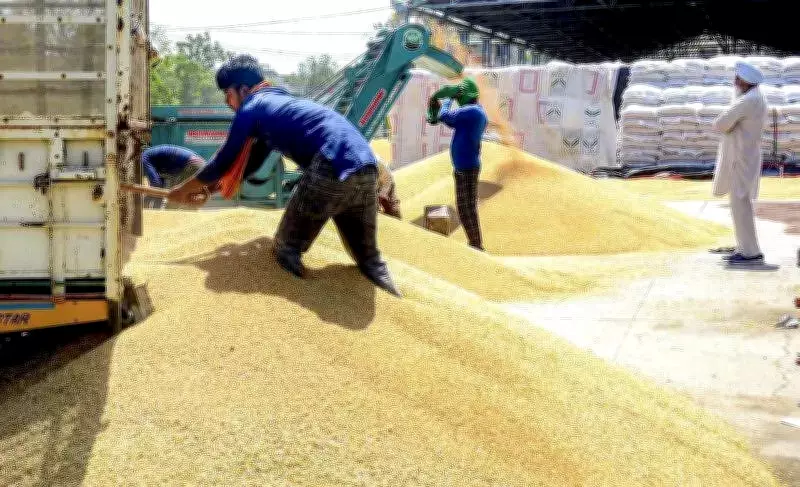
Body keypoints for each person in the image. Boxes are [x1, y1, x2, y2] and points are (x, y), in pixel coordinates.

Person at [168, 55, 401, 297]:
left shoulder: (251, 107)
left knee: (286, 248)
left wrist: (183, 189)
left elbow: (222, 160)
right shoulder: (279, 103)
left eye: (227, 94)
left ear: (244, 89)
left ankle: (292, 308)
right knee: (368, 258)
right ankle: (394, 299)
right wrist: (208, 190)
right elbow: (252, 162)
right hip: (366, 168)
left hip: (331, 164)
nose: (227, 102)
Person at [711, 61, 769, 265]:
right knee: (739, 202)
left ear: (747, 81)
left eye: (738, 79)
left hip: (740, 157)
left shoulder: (746, 101)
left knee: (740, 203)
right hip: (746, 155)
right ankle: (743, 246)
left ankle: (750, 251)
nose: (735, 82)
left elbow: (720, 123)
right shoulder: (755, 97)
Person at [432, 78, 488, 251]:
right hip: (464, 167)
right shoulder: (473, 113)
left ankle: (476, 245)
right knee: (466, 207)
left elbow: (444, 116)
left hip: (467, 167)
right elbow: (448, 120)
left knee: (466, 207)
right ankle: (475, 243)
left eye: (458, 97)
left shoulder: (472, 112)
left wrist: (448, 98)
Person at [141, 145, 205, 209]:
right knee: (184, 195)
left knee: (175, 196)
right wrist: (156, 208)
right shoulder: (155, 159)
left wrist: (143, 204)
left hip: (192, 165)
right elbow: (160, 188)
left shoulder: (144, 158)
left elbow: (156, 183)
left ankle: (169, 214)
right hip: (198, 164)